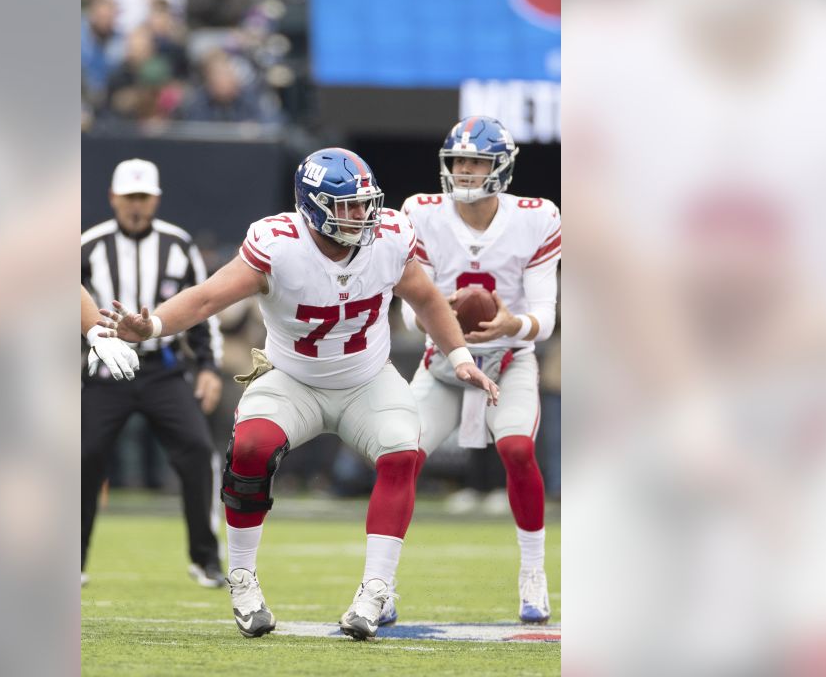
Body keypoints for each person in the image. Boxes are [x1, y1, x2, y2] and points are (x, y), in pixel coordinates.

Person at [103, 148, 500, 640]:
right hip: (293, 378)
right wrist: (156, 324)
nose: (361, 216)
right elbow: (208, 297)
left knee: (403, 451)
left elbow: (426, 298)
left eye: (364, 203)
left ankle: (376, 589)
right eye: (347, 207)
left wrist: (460, 358)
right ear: (312, 207)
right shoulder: (278, 244)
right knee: (249, 449)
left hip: (366, 379)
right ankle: (243, 579)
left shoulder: (390, 237)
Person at [399, 116, 561, 624]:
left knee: (516, 447)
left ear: (501, 167)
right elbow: (408, 314)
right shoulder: (420, 213)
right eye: (459, 161)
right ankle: (379, 583)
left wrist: (514, 322)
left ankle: (533, 573)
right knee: (398, 460)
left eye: (477, 161)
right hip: (445, 362)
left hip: (507, 358)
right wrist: (438, 311)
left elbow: (546, 317)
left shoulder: (537, 218)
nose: (466, 171)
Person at [81, 159, 226, 589]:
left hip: (161, 368)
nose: (136, 207)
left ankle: (206, 558)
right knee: (82, 457)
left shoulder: (178, 245)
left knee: (198, 452)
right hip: (105, 369)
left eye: (143, 198)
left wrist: (208, 367)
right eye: (129, 198)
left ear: (156, 199)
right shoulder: (89, 245)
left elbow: (202, 310)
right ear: (113, 198)